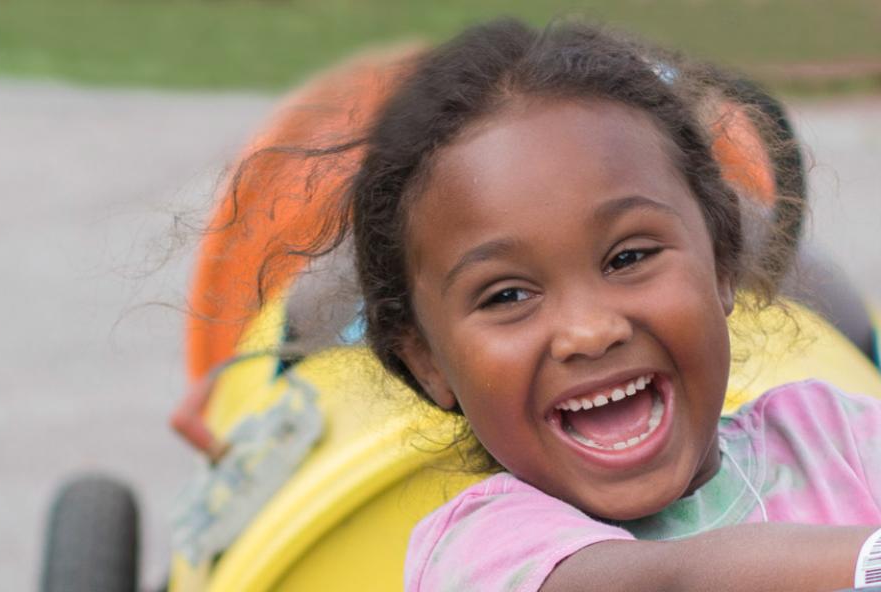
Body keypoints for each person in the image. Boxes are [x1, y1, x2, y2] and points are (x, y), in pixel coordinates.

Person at [297, 19, 881, 591]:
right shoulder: (481, 551)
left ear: (721, 261)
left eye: (628, 258)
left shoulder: (836, 438)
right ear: (428, 362)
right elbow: (667, 582)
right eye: (508, 296)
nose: (590, 331)